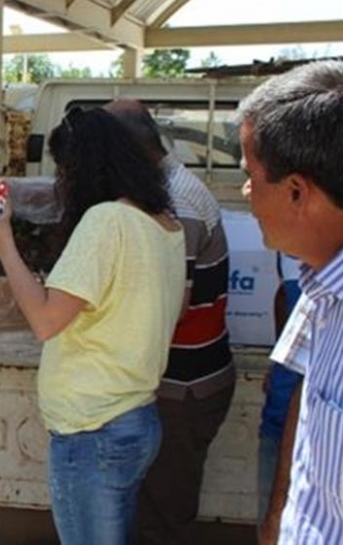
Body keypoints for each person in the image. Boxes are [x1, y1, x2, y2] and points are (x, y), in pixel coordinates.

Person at [0, 107, 186, 544]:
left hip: (94, 430)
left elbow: (46, 321)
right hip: (135, 417)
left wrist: (4, 244)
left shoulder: (106, 221)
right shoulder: (165, 224)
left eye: (63, 169)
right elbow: (171, 309)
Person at [240, 60, 343, 545]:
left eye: (252, 175)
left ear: (298, 192)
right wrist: (278, 519)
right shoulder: (325, 284)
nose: (246, 192)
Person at [105, 99, 236, 544]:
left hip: (184, 387)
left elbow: (169, 306)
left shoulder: (178, 202)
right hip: (180, 379)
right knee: (153, 506)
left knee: (162, 515)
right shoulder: (165, 189)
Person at [256, 253, 304, 525]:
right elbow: (283, 295)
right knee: (271, 522)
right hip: (279, 418)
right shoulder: (290, 248)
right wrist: (281, 357)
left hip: (331, 436)